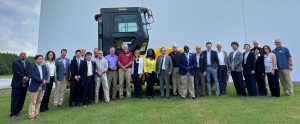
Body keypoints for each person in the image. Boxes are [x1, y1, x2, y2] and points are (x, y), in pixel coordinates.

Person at [10, 52, 31, 119]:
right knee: (15, 99)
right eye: (21, 54)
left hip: (25, 84)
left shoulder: (28, 63)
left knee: (22, 99)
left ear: (26, 56)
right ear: (19, 56)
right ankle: (13, 113)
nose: (23, 55)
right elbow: (16, 72)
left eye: (24, 54)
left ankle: (18, 111)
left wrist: (28, 77)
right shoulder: (15, 63)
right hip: (17, 84)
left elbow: (30, 72)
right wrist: (24, 78)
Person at [28, 55, 48, 120]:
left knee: (39, 101)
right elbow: (33, 76)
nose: (41, 60)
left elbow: (46, 75)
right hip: (35, 86)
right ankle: (31, 116)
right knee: (33, 102)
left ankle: (36, 114)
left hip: (42, 86)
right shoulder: (32, 67)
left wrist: (44, 80)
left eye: (42, 59)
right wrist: (42, 81)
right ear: (36, 60)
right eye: (39, 59)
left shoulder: (44, 67)